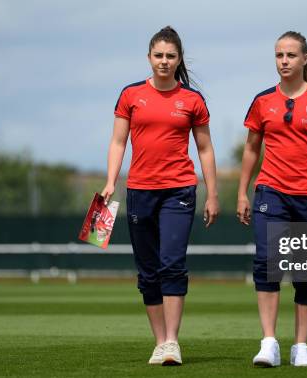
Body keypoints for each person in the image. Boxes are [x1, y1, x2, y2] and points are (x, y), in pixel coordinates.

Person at [101, 26, 219, 366]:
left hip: (179, 190)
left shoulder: (193, 100)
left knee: (172, 263)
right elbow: (118, 142)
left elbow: (206, 149)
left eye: (170, 56)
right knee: (147, 271)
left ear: (178, 59)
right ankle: (159, 342)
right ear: (149, 58)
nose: (164, 61)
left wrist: (212, 193)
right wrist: (111, 181)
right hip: (139, 191)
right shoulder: (130, 95)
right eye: (158, 56)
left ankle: (172, 342)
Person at [237, 31, 307, 367]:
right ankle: (269, 342)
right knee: (267, 262)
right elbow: (250, 149)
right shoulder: (262, 101)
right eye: (278, 55)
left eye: (290, 55)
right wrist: (243, 191)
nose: (283, 61)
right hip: (270, 191)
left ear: (304, 58)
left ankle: (301, 347)